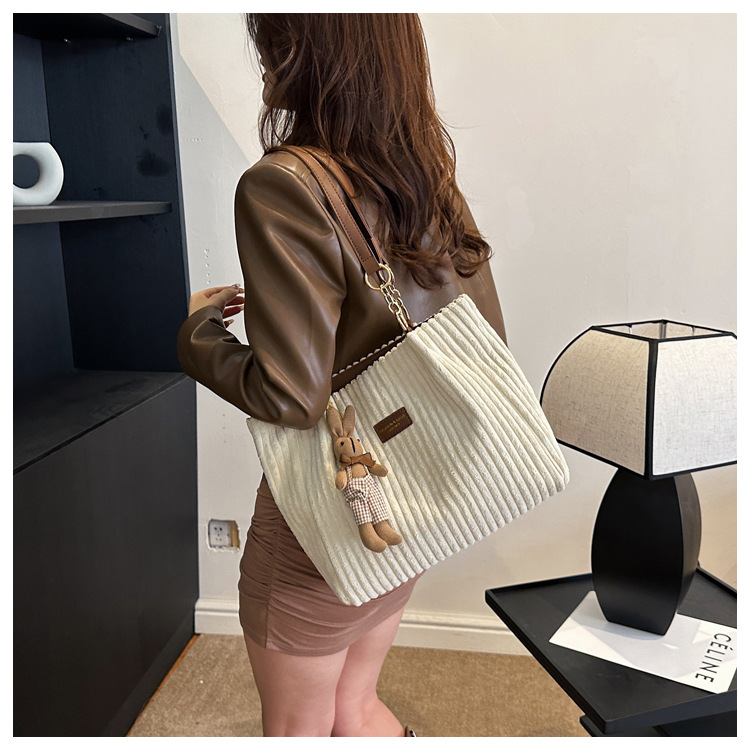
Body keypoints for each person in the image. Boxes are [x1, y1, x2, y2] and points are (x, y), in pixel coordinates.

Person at [176, 13, 508, 738]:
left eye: (270, 41)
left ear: (300, 50)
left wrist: (199, 337)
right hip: (421, 497)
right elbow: (484, 343)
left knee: (298, 727)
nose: (264, 62)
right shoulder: (426, 175)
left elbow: (290, 397)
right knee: (355, 706)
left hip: (330, 516)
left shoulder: (281, 185)